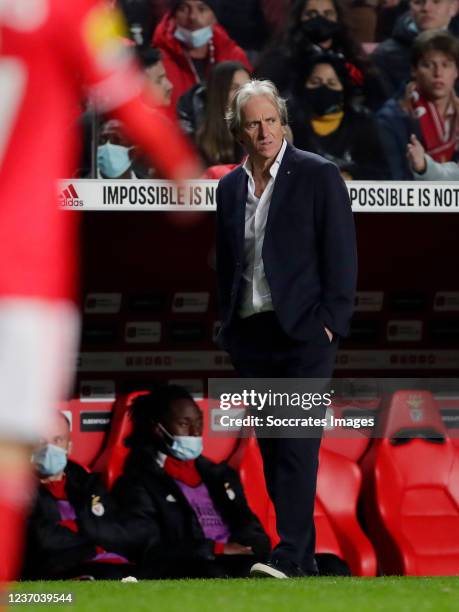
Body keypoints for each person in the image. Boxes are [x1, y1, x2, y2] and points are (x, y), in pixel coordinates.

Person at [0, 0, 199, 584]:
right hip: (24, 274)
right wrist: (177, 165)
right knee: (10, 462)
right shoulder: (70, 10)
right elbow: (124, 93)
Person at [216, 80, 357, 578]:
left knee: (297, 444)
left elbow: (341, 255)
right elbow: (227, 263)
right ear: (238, 130)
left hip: (304, 335)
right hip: (253, 338)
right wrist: (228, 330)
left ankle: (290, 553)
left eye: (270, 120)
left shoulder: (317, 175)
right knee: (275, 449)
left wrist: (330, 324)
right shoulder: (229, 187)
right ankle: (301, 563)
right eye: (253, 122)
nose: (263, 131)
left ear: (283, 122)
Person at [112, 385, 270, 578]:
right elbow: (148, 546)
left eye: (198, 422)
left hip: (236, 560)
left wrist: (252, 546)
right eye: (185, 424)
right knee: (213, 573)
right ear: (159, 429)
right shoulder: (138, 482)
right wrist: (214, 549)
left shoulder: (220, 475)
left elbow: (249, 525)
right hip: (191, 566)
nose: (195, 432)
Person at [23, 413, 135, 580]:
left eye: (58, 440)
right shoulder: (16, 486)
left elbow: (113, 528)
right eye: (41, 441)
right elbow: (42, 539)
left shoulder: (88, 481)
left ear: (69, 447)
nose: (49, 448)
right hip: (54, 567)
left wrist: (72, 527)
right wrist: (92, 538)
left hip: (105, 561)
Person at [255, 0, 384, 108]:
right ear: (298, 18)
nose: (320, 20)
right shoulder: (280, 59)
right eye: (312, 14)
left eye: (327, 14)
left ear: (338, 19)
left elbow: (377, 95)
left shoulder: (351, 56)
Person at [289, 54, 389, 179]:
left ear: (343, 90)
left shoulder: (363, 124)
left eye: (331, 84)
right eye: (315, 82)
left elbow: (381, 173)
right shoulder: (291, 124)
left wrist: (351, 175)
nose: (323, 89)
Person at [377, 30, 459, 180]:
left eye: (446, 65)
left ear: (456, 71)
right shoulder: (392, 118)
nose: (438, 73)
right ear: (414, 70)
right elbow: (395, 181)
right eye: (428, 65)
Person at [152, 0, 252, 107]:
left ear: (214, 17)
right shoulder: (158, 63)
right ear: (173, 16)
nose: (193, 17)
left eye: (202, 9)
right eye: (183, 9)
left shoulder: (234, 57)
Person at [373, 0, 459, 100]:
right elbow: (380, 109)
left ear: (453, 7)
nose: (426, 8)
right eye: (418, 2)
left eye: (436, 1)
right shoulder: (384, 56)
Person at [178, 60, 251, 166]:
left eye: (247, 87)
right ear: (218, 93)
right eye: (234, 88)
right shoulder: (193, 140)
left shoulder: (261, 128)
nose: (244, 94)